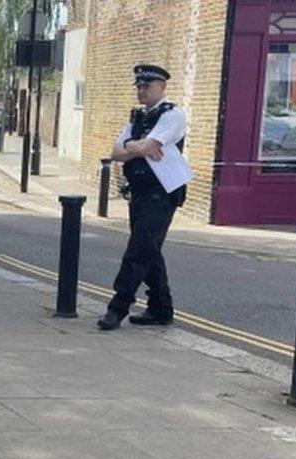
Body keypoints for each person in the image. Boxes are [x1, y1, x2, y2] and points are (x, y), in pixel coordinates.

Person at [97, 64, 188, 331]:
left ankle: (118, 307)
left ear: (162, 87)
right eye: (138, 86)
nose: (141, 90)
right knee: (149, 250)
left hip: (162, 193)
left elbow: (149, 146)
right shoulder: (137, 119)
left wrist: (137, 147)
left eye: (147, 86)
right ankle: (161, 309)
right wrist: (137, 148)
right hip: (140, 192)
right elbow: (115, 152)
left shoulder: (173, 115)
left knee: (138, 251)